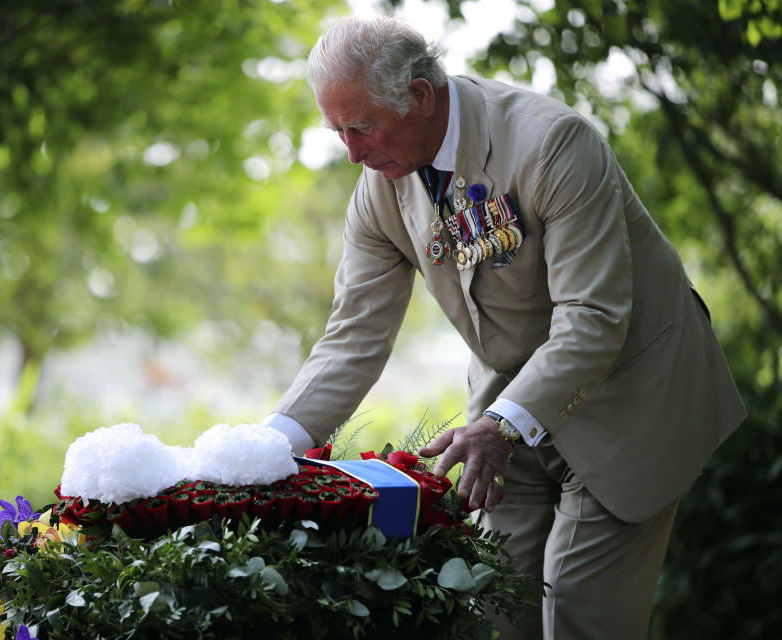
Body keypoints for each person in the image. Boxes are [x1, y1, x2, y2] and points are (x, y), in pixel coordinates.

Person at [262, 15, 747, 640]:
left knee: (578, 611)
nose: (352, 152)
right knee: (491, 601)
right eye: (337, 131)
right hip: (507, 407)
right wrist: (266, 450)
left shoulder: (553, 144)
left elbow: (594, 316)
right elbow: (353, 331)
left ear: (419, 96)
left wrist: (501, 424)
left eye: (361, 127)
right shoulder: (379, 187)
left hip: (631, 393)